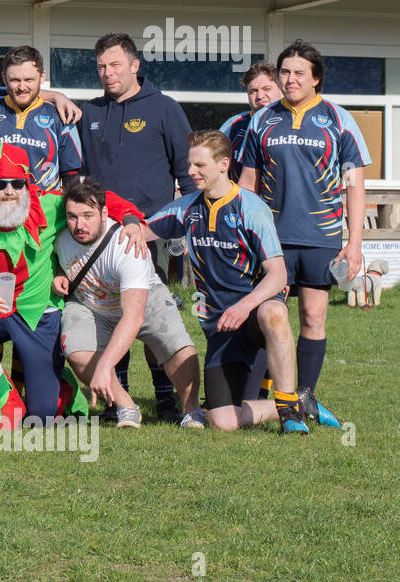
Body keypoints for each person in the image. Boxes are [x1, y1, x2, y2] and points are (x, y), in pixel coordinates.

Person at [147, 132, 342, 433]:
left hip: (254, 318)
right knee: (221, 421)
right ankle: (301, 402)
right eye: (189, 164)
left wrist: (244, 306)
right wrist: (132, 227)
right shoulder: (186, 208)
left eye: (199, 165)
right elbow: (141, 229)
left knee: (273, 312)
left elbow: (278, 274)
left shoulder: (251, 208)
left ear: (223, 164)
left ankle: (291, 413)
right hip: (221, 329)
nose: (190, 172)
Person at [0, 144, 149, 428]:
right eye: (0, 184)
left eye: (17, 183)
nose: (9, 191)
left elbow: (101, 200)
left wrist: (131, 220)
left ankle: (67, 390)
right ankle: (4, 395)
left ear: (27, 184)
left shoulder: (50, 205)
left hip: (40, 315)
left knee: (44, 417)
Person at [238, 40, 368, 396]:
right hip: (271, 240)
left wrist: (354, 243)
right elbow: (247, 184)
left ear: (316, 80)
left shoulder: (339, 120)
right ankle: (256, 397)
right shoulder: (263, 119)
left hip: (320, 238)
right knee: (267, 318)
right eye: (285, 72)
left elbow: (354, 185)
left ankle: (303, 397)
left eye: (298, 73)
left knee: (313, 317)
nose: (290, 79)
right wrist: (241, 232)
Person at [78, 32, 195, 422]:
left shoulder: (165, 108)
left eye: (114, 65)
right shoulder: (89, 112)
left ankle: (166, 398)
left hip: (149, 233)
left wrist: (181, 228)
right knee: (107, 312)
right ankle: (117, 398)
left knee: (149, 316)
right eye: (101, 67)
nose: (107, 73)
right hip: (99, 235)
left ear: (134, 65)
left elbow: (188, 176)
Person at [54, 180, 202, 428]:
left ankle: (191, 409)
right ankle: (126, 406)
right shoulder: (58, 234)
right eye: (72, 217)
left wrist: (104, 365)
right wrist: (58, 271)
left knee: (177, 345)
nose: (79, 225)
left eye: (88, 216)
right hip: (90, 302)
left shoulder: (126, 244)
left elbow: (132, 316)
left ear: (104, 213)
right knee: (77, 351)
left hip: (143, 297)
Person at [0, 45, 82, 193]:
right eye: (15, 80)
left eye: (29, 79)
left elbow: (71, 175)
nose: (22, 87)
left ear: (42, 77)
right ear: (4, 78)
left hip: (44, 210)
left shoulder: (60, 114)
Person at [220, 61, 282, 183]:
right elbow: (213, 166)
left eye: (266, 89)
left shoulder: (292, 122)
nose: (259, 96)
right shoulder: (233, 125)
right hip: (240, 200)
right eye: (253, 91)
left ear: (281, 89)